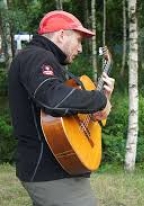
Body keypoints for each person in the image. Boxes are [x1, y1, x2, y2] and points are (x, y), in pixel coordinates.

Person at [8, 10, 114, 206]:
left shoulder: (40, 58)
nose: (80, 48)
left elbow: (61, 112)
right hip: (51, 172)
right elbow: (53, 98)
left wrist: (101, 102)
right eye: (78, 40)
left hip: (53, 167)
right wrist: (98, 99)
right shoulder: (37, 57)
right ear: (61, 35)